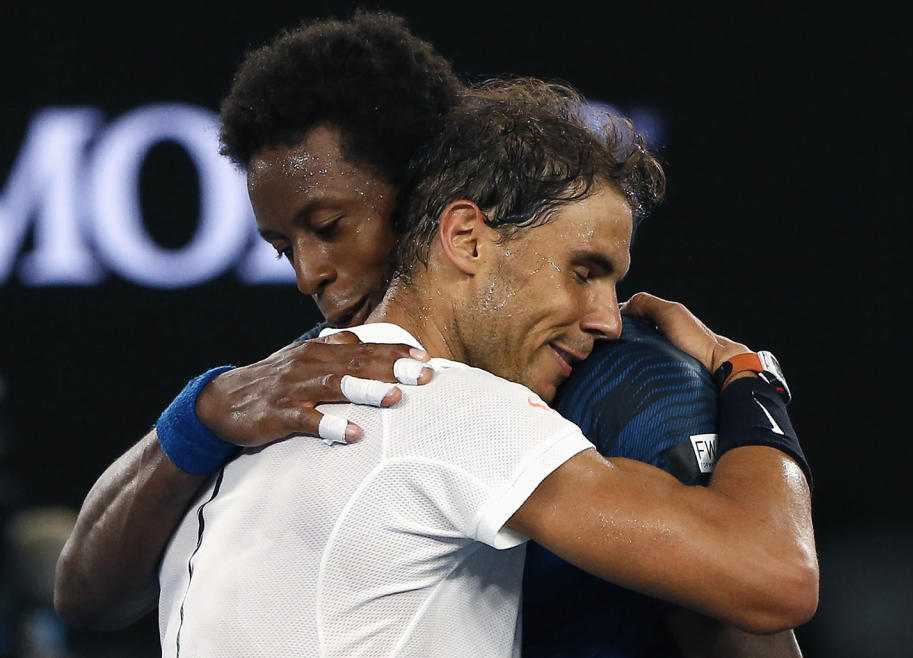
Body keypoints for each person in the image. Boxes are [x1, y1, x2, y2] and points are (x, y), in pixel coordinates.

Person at [54, 12, 813, 656]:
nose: (308, 274)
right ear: (465, 233)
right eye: (287, 246)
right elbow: (774, 578)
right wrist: (748, 374)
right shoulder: (411, 398)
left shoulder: (277, 419)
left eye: (329, 226)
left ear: (424, 197)